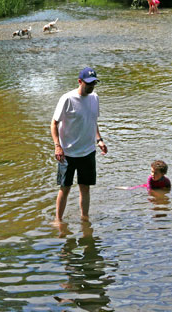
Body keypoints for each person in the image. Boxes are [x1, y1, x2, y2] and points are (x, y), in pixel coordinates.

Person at [51, 67, 108, 222]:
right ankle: (58, 220)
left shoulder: (94, 98)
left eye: (94, 83)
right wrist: (57, 146)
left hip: (88, 152)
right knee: (65, 188)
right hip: (68, 153)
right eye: (88, 83)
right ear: (79, 81)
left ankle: (85, 219)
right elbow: (54, 123)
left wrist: (99, 139)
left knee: (85, 187)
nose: (91, 86)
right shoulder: (67, 99)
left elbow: (92, 121)